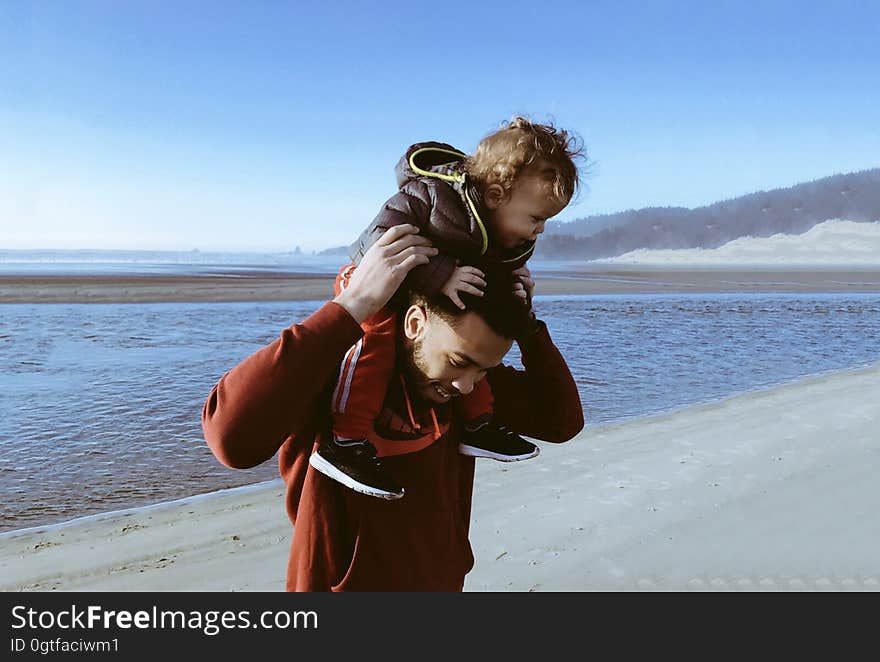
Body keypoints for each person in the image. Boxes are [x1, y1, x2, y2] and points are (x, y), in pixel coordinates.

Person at [202, 225, 584, 591]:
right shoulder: (335, 372)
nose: (467, 383)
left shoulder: (468, 387)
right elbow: (231, 441)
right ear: (415, 323)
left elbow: (561, 421)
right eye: (458, 362)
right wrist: (352, 306)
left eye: (483, 369)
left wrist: (528, 327)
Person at [316, 117, 584, 498]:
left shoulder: (503, 232)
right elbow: (373, 242)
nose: (540, 229)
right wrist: (439, 276)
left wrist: (519, 307)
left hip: (433, 307)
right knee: (373, 346)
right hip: (373, 286)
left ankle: (477, 425)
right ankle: (345, 441)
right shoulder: (431, 196)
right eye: (537, 218)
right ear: (495, 195)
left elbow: (563, 421)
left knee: (472, 358)